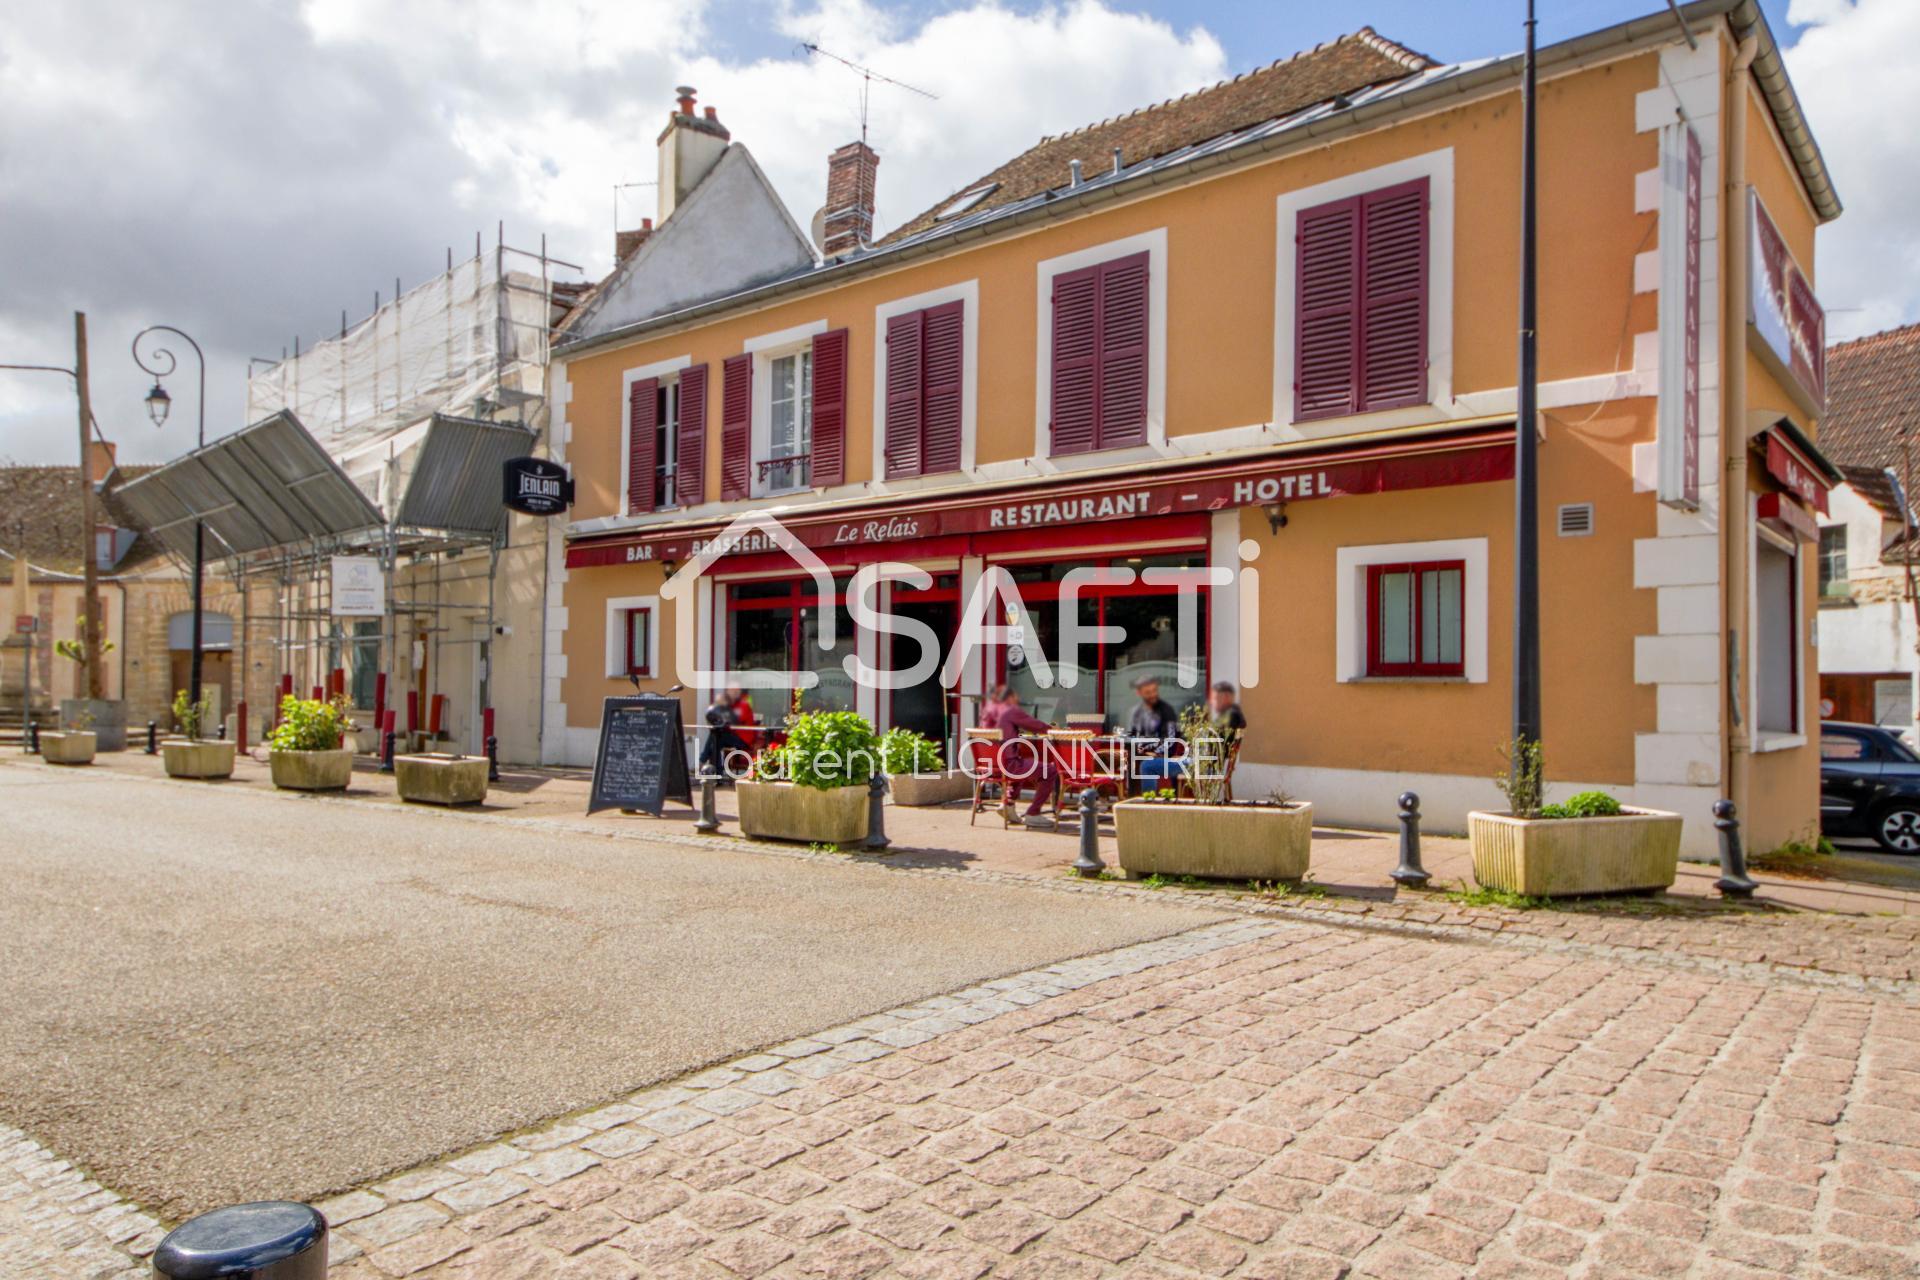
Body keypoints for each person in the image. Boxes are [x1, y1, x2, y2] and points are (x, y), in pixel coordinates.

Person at [995, 688, 1061, 828]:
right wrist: (1053, 729)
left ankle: (1008, 804)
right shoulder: (1010, 711)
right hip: (1010, 764)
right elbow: (1034, 724)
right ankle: (1033, 813)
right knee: (1050, 771)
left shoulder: (991, 714)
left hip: (992, 766)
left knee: (1026, 764)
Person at [1127, 676, 1183, 793]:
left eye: (1154, 691)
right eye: (1148, 692)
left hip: (1164, 756)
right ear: (1139, 693)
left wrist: (1156, 751)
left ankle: (1149, 800)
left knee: (1144, 764)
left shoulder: (1166, 710)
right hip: (1141, 753)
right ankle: (1122, 797)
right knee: (1110, 758)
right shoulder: (1137, 712)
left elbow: (1171, 739)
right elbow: (1132, 734)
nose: (1153, 695)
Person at [699, 684, 754, 780]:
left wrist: (723, 707)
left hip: (743, 739)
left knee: (716, 738)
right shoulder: (733, 705)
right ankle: (715, 773)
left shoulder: (743, 705)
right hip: (735, 736)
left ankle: (708, 765)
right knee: (715, 739)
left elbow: (734, 720)